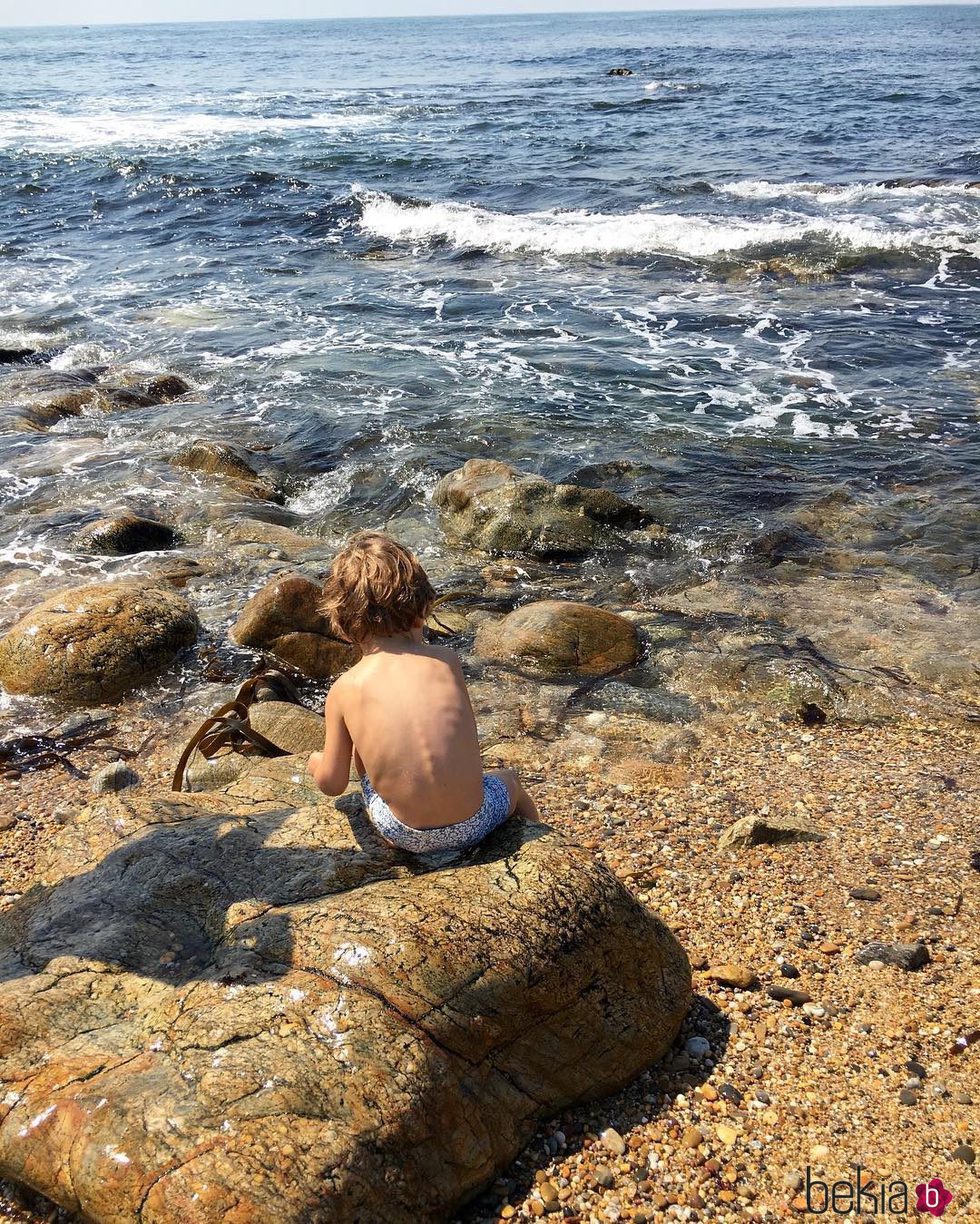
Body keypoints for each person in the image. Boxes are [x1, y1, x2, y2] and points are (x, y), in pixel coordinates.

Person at [307, 531, 540, 853]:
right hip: (476, 820)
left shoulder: (345, 688)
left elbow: (332, 785)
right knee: (510, 779)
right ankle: (537, 843)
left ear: (343, 624)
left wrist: (315, 762)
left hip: (404, 833)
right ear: (422, 609)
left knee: (364, 744)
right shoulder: (446, 661)